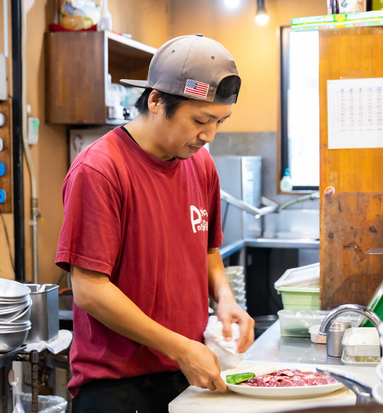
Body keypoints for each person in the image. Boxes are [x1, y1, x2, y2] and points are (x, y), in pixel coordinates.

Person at [55, 34, 255, 413]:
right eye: (200, 120)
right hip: (117, 386)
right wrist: (180, 347)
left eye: (219, 122)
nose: (208, 135)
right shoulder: (100, 169)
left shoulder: (201, 165)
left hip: (186, 372)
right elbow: (89, 290)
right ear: (156, 101)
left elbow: (207, 250)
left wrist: (225, 300)